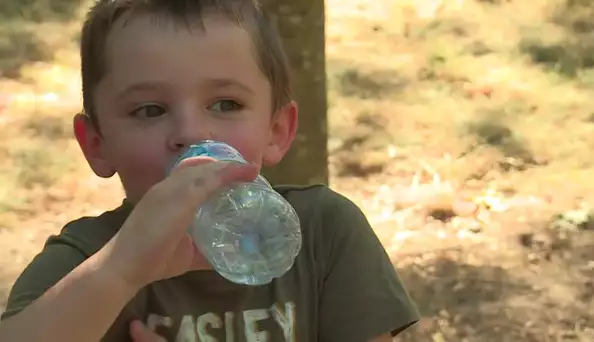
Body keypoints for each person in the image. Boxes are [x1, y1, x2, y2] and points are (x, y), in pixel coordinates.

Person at [0, 0, 420, 341]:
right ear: (97, 144)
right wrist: (121, 270)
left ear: (276, 131)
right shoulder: (90, 259)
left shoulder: (324, 234)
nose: (191, 133)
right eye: (150, 110)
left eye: (225, 105)